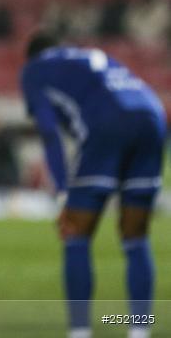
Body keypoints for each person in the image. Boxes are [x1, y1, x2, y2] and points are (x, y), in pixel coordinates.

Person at [20, 31, 167, 338]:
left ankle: (80, 331)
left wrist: (62, 190)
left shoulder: (34, 70)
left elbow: (49, 131)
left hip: (107, 124)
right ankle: (139, 331)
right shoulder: (88, 56)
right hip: (153, 116)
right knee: (135, 235)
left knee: (75, 233)